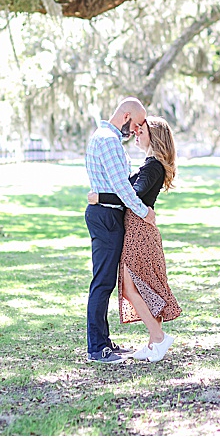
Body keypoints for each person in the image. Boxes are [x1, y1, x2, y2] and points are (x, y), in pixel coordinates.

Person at [89, 116, 181, 363]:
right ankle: (153, 344)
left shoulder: (152, 166)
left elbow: (132, 196)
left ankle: (158, 337)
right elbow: (129, 191)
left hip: (139, 231)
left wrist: (100, 197)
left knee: (131, 286)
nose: (137, 134)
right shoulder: (151, 164)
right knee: (145, 284)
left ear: (155, 136)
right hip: (139, 229)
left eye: (142, 131)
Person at [84, 98, 156, 364]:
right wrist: (144, 212)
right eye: (136, 124)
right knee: (102, 282)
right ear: (126, 116)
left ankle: (104, 341)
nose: (136, 131)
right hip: (106, 216)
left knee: (105, 282)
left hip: (105, 211)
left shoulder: (103, 137)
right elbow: (121, 187)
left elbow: (119, 182)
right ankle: (97, 348)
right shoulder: (109, 140)